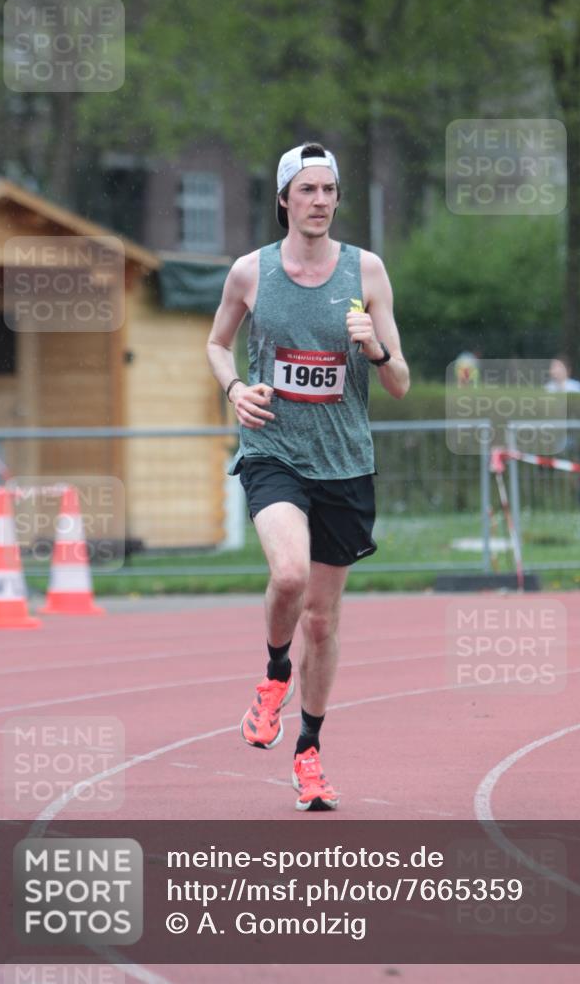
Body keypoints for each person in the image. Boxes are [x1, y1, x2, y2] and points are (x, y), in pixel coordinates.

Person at [206, 142, 409, 811]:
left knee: (321, 621)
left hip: (345, 465)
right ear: (284, 199)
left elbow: (400, 382)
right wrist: (234, 387)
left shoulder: (366, 271)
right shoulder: (250, 272)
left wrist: (373, 348)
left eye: (330, 191)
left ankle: (309, 750)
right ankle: (272, 675)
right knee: (288, 575)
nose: (320, 201)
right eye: (308, 190)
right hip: (274, 452)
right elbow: (215, 343)